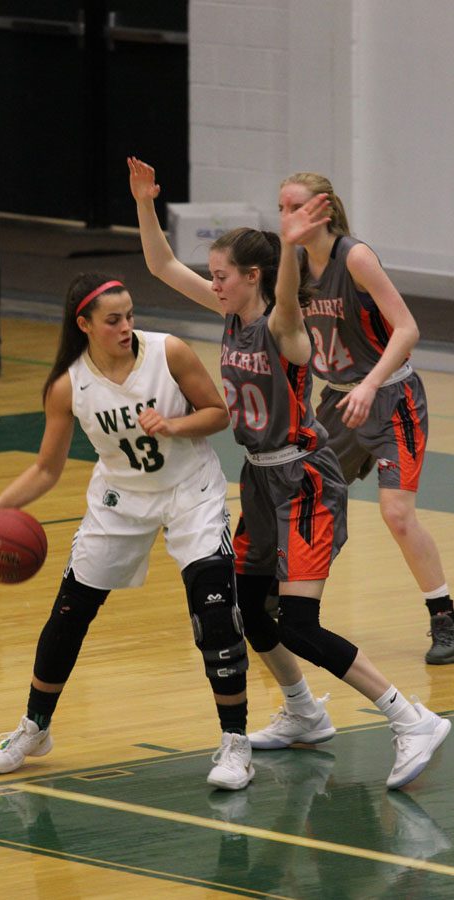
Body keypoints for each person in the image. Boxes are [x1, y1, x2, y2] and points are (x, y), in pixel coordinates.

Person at [128, 156, 451, 789]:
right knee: (251, 609)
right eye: (212, 276)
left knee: (299, 623)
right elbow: (162, 266)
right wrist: (144, 202)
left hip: (305, 482)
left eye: (223, 276)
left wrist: (291, 243)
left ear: (252, 277)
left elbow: (285, 298)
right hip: (257, 478)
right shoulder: (228, 311)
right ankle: (303, 711)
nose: (212, 283)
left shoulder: (283, 325)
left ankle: (410, 717)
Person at [0, 272, 255, 791]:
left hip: (190, 491)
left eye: (129, 316)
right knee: (68, 613)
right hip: (119, 502)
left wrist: (174, 426)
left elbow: (219, 413)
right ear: (84, 324)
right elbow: (46, 469)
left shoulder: (168, 352)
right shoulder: (68, 385)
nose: (126, 327)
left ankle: (236, 741)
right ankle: (35, 727)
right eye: (113, 320)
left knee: (213, 611)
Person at [278, 172, 453, 665]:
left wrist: (372, 382)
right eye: (281, 208)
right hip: (337, 402)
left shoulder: (353, 256)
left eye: (294, 207)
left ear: (323, 209)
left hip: (391, 396)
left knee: (397, 514)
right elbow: (282, 314)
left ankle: (444, 615)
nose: (285, 216)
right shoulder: (293, 262)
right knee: (307, 496)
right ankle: (288, 598)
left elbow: (407, 328)